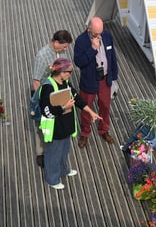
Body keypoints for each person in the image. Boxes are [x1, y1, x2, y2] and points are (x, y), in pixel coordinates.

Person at [39, 58, 100, 190]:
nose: (71, 74)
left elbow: (76, 97)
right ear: (61, 72)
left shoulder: (65, 82)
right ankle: (52, 179)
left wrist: (90, 111)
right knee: (53, 154)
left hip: (66, 126)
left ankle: (62, 170)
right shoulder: (47, 87)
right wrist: (64, 107)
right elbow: (46, 111)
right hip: (55, 128)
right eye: (69, 71)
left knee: (63, 151)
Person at [73, 17, 119, 148]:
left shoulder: (107, 35)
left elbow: (112, 56)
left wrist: (114, 76)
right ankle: (85, 133)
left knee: (105, 105)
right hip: (89, 80)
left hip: (105, 78)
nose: (99, 36)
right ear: (89, 28)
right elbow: (78, 62)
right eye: (95, 33)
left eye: (100, 33)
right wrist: (92, 49)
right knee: (86, 107)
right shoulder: (81, 41)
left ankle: (104, 130)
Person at [31, 30, 74, 167]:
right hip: (46, 92)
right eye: (64, 46)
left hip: (59, 92)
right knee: (42, 125)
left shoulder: (61, 53)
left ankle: (54, 148)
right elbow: (36, 80)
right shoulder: (42, 56)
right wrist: (41, 100)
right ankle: (41, 153)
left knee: (56, 120)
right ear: (56, 42)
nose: (66, 49)